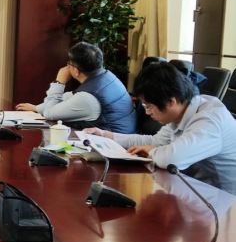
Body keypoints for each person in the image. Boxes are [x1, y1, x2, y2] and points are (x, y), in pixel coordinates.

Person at [84, 62, 236, 194]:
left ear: (170, 101)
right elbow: (155, 141)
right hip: (194, 188)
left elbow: (172, 160)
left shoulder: (210, 120)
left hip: (224, 201)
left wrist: (152, 151)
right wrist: (106, 135)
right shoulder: (183, 110)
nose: (147, 112)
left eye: (149, 106)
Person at [16, 42, 136, 133]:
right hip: (119, 139)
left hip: (110, 149)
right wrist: (36, 108)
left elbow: (49, 114)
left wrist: (59, 82)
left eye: (69, 63)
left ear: (76, 71)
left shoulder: (87, 98)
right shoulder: (107, 76)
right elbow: (69, 99)